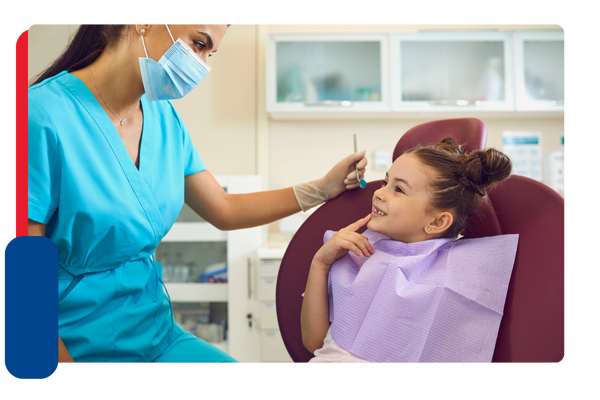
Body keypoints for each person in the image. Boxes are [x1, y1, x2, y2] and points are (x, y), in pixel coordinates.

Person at [27, 21, 368, 365]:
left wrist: (320, 189)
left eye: (210, 53)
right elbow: (21, 285)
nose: (202, 64)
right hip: (72, 341)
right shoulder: (40, 116)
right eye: (198, 44)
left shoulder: (162, 117)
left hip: (154, 334)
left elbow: (223, 208)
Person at [301, 137, 519, 364]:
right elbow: (315, 343)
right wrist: (320, 263)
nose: (379, 193)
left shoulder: (453, 279)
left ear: (437, 222)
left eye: (398, 189)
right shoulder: (352, 252)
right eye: (385, 182)